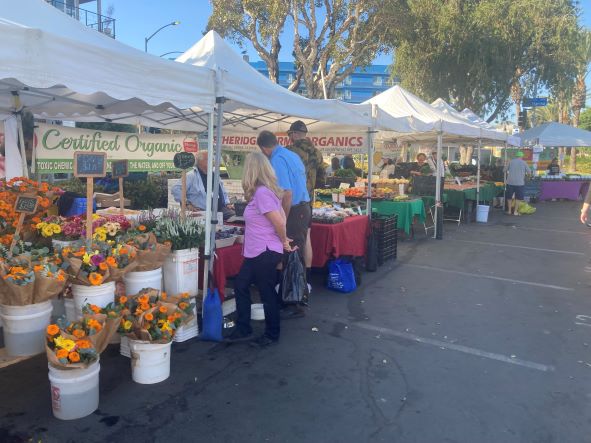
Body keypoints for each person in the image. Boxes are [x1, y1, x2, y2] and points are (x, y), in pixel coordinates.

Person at [226, 153, 291, 348]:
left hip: (265, 250)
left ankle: (272, 333)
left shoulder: (262, 193)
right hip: (258, 250)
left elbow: (279, 222)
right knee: (241, 285)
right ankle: (244, 327)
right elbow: (282, 218)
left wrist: (283, 241)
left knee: (266, 292)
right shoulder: (263, 192)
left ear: (251, 170)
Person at [257, 130, 311, 319]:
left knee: (291, 253)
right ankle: (292, 297)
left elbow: (287, 193)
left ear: (264, 148)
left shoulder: (277, 160)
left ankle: (294, 302)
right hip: (303, 207)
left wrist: (283, 219)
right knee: (295, 253)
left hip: (294, 210)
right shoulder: (292, 154)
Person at [286, 120, 324, 292]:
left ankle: (294, 281)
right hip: (308, 200)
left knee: (291, 241)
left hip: (293, 201)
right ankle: (306, 277)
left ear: (293, 134)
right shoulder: (317, 152)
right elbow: (322, 177)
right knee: (306, 237)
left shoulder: (290, 152)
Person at [171, 151, 234, 219]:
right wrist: (187, 204)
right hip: (202, 211)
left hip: (221, 209)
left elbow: (222, 191)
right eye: (208, 159)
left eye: (212, 159)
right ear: (199, 161)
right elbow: (176, 189)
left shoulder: (214, 174)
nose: (212, 161)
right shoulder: (191, 175)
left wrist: (227, 203)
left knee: (237, 217)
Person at [505, 151, 530, 216]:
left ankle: (509, 211)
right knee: (518, 198)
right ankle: (515, 212)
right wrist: (526, 176)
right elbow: (529, 172)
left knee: (509, 197)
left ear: (516, 156)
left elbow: (504, 170)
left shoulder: (510, 161)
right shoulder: (524, 162)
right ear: (522, 156)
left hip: (510, 182)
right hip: (520, 183)